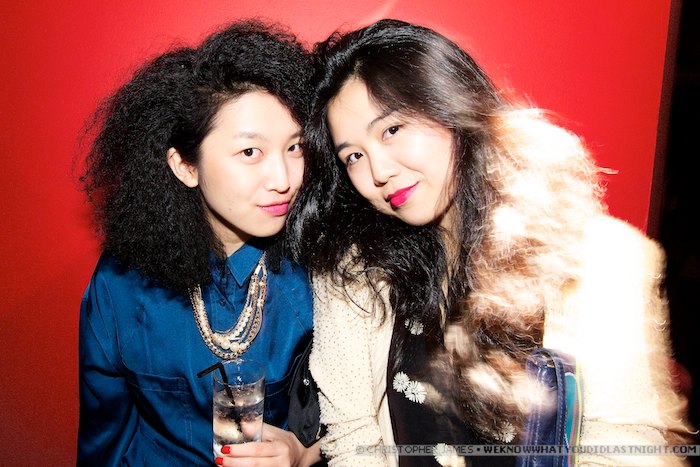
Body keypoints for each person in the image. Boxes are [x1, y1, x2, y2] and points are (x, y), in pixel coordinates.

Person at [287, 19, 694, 466]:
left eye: (392, 129)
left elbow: (626, 448)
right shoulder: (354, 272)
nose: (378, 171)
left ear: (449, 103)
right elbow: (351, 432)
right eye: (353, 156)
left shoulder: (600, 260)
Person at [78, 20, 322, 466]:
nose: (284, 179)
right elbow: (104, 435)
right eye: (250, 152)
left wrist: (300, 451)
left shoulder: (319, 272)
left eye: (295, 147)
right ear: (185, 166)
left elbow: (360, 420)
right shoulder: (120, 284)